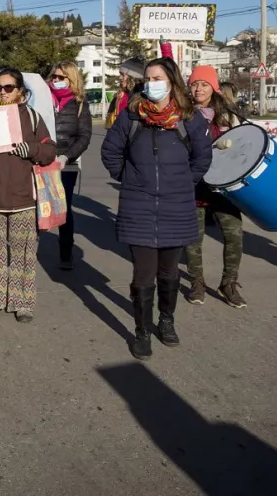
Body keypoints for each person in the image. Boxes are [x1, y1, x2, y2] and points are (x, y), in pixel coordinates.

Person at [101, 58, 212, 361]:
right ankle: (142, 331)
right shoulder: (132, 115)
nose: (152, 82)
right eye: (148, 77)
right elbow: (110, 151)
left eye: (158, 77)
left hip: (176, 206)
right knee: (143, 276)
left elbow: (203, 158)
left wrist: (183, 182)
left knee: (170, 272)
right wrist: (128, 177)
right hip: (139, 205)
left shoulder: (189, 118)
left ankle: (166, 320)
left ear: (172, 81)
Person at [0, 68, 56, 322]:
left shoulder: (33, 117)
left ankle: (22, 303)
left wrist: (31, 149)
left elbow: (50, 151)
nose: (3, 92)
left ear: (20, 90)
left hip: (24, 199)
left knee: (24, 253)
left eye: (8, 87)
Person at [185, 67, 246, 308]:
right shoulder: (183, 114)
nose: (198, 88)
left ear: (214, 88)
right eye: (194, 84)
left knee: (234, 236)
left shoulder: (228, 115)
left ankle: (228, 283)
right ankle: (196, 282)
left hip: (224, 186)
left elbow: (243, 146)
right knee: (193, 238)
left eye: (204, 84)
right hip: (195, 185)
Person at [47, 60, 92, 270]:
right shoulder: (42, 98)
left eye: (61, 77)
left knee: (63, 209)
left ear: (71, 79)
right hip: (42, 162)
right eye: (53, 76)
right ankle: (28, 250)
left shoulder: (80, 103)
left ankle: (66, 253)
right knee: (37, 206)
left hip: (66, 165)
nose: (55, 80)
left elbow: (84, 136)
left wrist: (66, 157)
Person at [105, 57, 145, 129]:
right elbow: (110, 124)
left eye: (123, 75)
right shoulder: (119, 96)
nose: (120, 78)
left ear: (132, 77)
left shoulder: (142, 98)